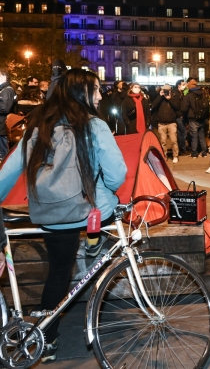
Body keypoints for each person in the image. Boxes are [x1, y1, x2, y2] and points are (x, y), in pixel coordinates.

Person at [0, 69, 126, 362]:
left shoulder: (38, 126)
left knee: (58, 271)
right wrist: (108, 188)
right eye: (95, 90)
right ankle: (95, 248)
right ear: (82, 93)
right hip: (86, 211)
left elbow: (11, 169)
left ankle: (47, 339)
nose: (99, 96)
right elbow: (117, 173)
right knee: (110, 206)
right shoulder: (94, 125)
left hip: (50, 213)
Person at [152, 84, 181, 163]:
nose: (166, 92)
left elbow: (178, 107)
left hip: (171, 123)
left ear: (170, 90)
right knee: (163, 142)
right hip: (161, 123)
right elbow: (153, 106)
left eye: (167, 90)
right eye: (164, 90)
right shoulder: (159, 98)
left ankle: (175, 156)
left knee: (174, 141)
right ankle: (164, 156)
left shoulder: (173, 97)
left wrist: (170, 99)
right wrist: (159, 96)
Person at [180, 80, 209, 158]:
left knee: (194, 136)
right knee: (202, 135)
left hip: (193, 118)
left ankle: (194, 153)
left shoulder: (189, 96)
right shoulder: (203, 94)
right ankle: (204, 152)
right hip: (202, 118)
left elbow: (184, 108)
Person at [0, 69, 16, 161]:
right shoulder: (4, 90)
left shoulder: (7, 90)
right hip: (2, 124)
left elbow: (4, 108)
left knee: (4, 152)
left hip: (3, 125)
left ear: (3, 77)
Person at [173, 79, 188, 155]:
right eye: (183, 84)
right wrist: (180, 113)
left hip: (180, 115)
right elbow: (177, 105)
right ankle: (182, 148)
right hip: (179, 116)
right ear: (179, 85)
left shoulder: (180, 93)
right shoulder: (176, 94)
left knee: (180, 133)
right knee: (184, 132)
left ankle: (181, 148)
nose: (185, 86)